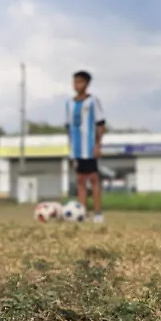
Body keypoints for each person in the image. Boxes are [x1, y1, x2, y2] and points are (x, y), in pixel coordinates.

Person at [66, 70, 106, 223]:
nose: (77, 85)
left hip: (89, 146)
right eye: (75, 82)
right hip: (76, 148)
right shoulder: (69, 103)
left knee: (94, 179)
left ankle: (98, 214)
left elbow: (101, 124)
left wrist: (98, 145)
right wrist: (70, 150)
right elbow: (68, 128)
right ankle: (81, 213)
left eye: (80, 82)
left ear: (87, 84)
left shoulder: (93, 101)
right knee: (80, 180)